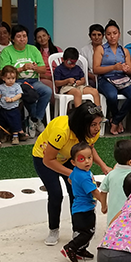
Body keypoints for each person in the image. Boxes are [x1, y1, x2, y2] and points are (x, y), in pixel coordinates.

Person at [32, 102, 110, 246]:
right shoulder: (61, 131)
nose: (97, 128)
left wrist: (103, 166)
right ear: (82, 123)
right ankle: (53, 229)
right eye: (94, 124)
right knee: (56, 194)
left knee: (76, 193)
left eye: (100, 123)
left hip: (69, 157)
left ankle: (77, 229)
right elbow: (48, 160)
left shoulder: (92, 131)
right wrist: (74, 175)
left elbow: (89, 148)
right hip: (45, 158)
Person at [0, 24, 52, 138]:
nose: (22, 39)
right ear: (12, 39)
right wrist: (22, 68)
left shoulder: (33, 49)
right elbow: (3, 73)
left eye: (24, 36)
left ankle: (35, 119)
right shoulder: (6, 52)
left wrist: (35, 67)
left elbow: (43, 70)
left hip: (33, 80)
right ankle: (34, 120)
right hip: (15, 83)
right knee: (29, 93)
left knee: (47, 91)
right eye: (19, 36)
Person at [61, 142, 108, 262]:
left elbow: (70, 179)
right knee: (87, 232)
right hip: (84, 209)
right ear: (73, 162)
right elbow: (95, 192)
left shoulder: (77, 171)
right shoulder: (84, 177)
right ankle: (70, 248)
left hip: (78, 208)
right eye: (82, 159)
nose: (87, 161)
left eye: (89, 157)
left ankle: (80, 250)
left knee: (84, 231)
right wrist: (104, 204)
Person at [94, 19, 131, 135]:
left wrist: (128, 70)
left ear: (119, 34)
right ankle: (116, 121)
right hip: (105, 79)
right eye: (109, 34)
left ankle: (115, 120)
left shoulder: (124, 51)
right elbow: (96, 69)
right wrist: (113, 67)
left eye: (114, 33)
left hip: (122, 79)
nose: (112, 37)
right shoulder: (101, 49)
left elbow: (130, 71)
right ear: (105, 36)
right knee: (111, 96)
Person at [99, 139, 131, 226]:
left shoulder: (111, 174)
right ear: (130, 162)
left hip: (113, 220)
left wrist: (104, 206)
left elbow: (103, 191)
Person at [0, 66, 25, 145]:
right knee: (3, 122)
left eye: (13, 78)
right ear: (3, 78)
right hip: (3, 108)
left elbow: (19, 95)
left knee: (15, 122)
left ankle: (15, 136)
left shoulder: (17, 86)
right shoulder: (0, 87)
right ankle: (5, 135)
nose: (11, 81)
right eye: (8, 78)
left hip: (13, 108)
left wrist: (12, 99)